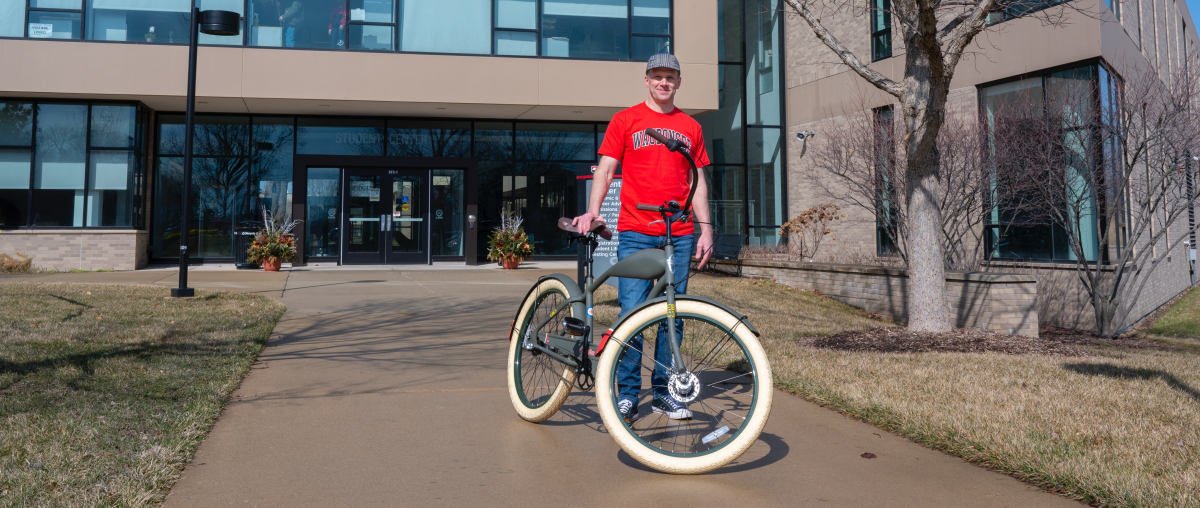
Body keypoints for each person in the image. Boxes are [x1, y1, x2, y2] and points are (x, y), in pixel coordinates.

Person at [572, 53, 714, 423]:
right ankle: (628, 394)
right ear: (647, 80)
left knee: (673, 316)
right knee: (631, 314)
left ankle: (665, 394)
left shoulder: (690, 126)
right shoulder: (625, 120)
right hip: (635, 231)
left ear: (679, 82)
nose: (664, 83)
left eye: (670, 77)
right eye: (657, 76)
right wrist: (593, 211)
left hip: (679, 235)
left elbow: (697, 182)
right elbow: (605, 170)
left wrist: (706, 228)